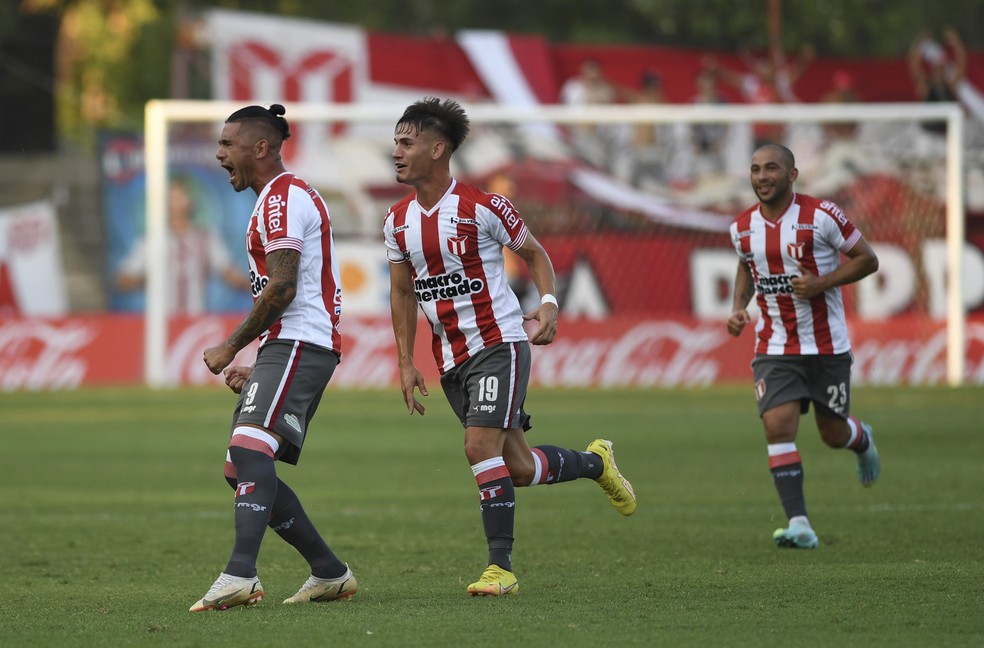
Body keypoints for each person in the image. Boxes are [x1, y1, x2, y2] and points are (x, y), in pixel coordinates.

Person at [384, 97, 637, 596]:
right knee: (517, 468)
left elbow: (536, 254)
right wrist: (405, 362)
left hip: (499, 342)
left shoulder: (483, 206)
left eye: (406, 142)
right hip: (451, 358)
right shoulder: (396, 221)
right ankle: (596, 463)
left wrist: (547, 304)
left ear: (438, 149)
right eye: (396, 141)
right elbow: (401, 291)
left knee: (479, 447)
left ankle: (500, 570)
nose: (396, 151)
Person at [189, 104, 355, 611]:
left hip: (301, 342)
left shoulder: (283, 199)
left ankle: (241, 574)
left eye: (226, 144)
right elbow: (283, 288)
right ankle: (329, 572)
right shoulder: (272, 200)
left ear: (260, 147)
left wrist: (231, 346)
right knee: (240, 467)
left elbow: (282, 286)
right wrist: (260, 361)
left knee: (249, 452)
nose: (219, 154)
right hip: (289, 344)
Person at [727, 143, 881, 549]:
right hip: (774, 346)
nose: (762, 176)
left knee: (832, 433)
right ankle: (800, 524)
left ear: (792, 175)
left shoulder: (823, 216)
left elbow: (868, 259)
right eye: (756, 169)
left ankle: (860, 438)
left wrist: (822, 283)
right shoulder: (741, 228)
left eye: (772, 168)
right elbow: (746, 265)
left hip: (826, 346)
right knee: (777, 427)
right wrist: (737, 308)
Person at [115, 177, 251, 314]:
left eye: (181, 197)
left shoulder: (206, 238)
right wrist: (145, 280)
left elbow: (227, 271)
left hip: (195, 321)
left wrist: (253, 285)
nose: (177, 203)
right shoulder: (152, 240)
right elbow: (123, 280)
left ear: (190, 202)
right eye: (172, 198)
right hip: (161, 322)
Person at [908, 28, 967, 134]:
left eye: (942, 68)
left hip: (946, 134)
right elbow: (915, 66)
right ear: (933, 70)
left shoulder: (950, 86)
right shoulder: (927, 87)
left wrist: (956, 42)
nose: (939, 71)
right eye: (937, 68)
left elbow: (961, 65)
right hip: (929, 134)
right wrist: (921, 43)